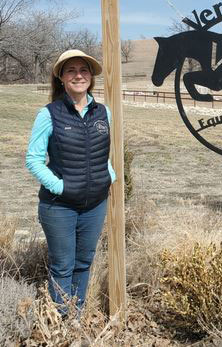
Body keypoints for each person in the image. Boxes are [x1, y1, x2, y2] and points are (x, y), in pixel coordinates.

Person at [26, 49, 116, 315]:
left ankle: (76, 317)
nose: (78, 75)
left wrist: (109, 176)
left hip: (95, 204)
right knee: (63, 266)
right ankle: (61, 322)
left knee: (84, 262)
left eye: (83, 70)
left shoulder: (104, 113)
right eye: (71, 71)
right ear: (62, 78)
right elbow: (33, 159)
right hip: (59, 206)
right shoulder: (49, 114)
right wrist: (59, 187)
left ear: (91, 77)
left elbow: (103, 152)